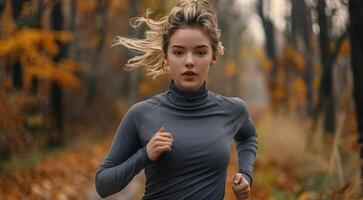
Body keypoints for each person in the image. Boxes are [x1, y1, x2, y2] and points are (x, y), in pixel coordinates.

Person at [95, 0, 258, 199]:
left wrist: (246, 174)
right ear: (166, 56)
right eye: (179, 52)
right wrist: (144, 155)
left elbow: (248, 136)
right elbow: (103, 185)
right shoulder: (141, 114)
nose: (189, 62)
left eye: (200, 52)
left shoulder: (233, 110)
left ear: (213, 56)